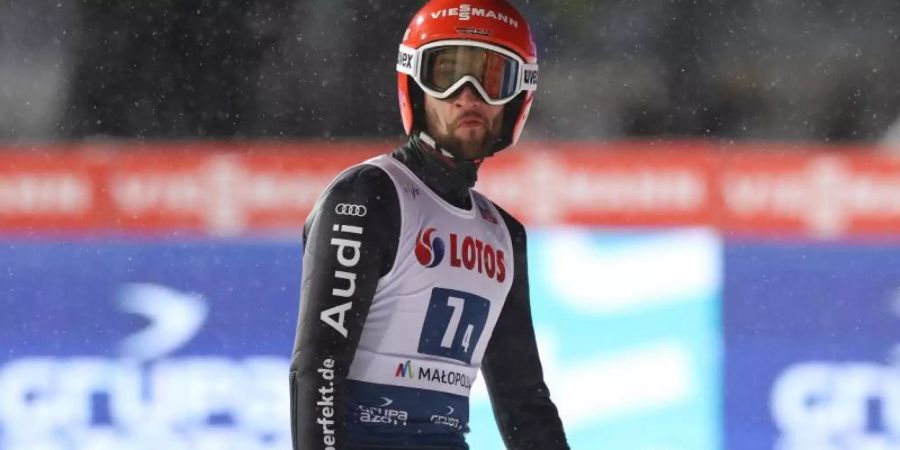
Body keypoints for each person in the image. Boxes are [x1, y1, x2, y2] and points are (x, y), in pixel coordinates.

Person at [289, 0, 568, 448]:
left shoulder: (504, 233)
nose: (468, 94)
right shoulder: (368, 196)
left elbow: (524, 402)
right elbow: (317, 365)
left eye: (492, 78)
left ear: (519, 95)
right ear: (415, 84)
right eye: (447, 72)